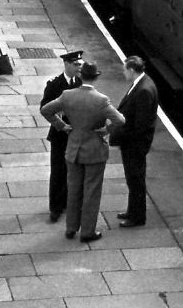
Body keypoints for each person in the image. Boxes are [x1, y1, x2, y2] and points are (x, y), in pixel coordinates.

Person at [40, 62, 124, 243]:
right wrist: (105, 131)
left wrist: (63, 126)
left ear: (81, 75)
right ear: (95, 77)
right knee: (91, 191)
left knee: (73, 190)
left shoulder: (67, 95)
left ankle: (71, 228)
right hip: (94, 151)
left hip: (73, 149)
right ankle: (87, 232)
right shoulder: (101, 99)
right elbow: (120, 120)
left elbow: (46, 110)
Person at [109, 55, 159, 228]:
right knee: (133, 179)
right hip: (133, 143)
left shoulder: (144, 90)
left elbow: (140, 125)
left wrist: (118, 135)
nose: (123, 73)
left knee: (136, 180)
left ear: (131, 70)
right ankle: (132, 211)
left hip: (135, 145)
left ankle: (137, 217)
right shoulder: (142, 83)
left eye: (124, 70)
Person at [40, 50, 84, 222]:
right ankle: (55, 207)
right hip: (60, 135)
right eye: (75, 65)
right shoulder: (54, 85)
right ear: (66, 65)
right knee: (58, 171)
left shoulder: (80, 82)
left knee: (72, 169)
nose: (78, 68)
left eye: (80, 65)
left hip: (76, 134)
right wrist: (61, 125)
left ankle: (67, 201)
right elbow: (45, 108)